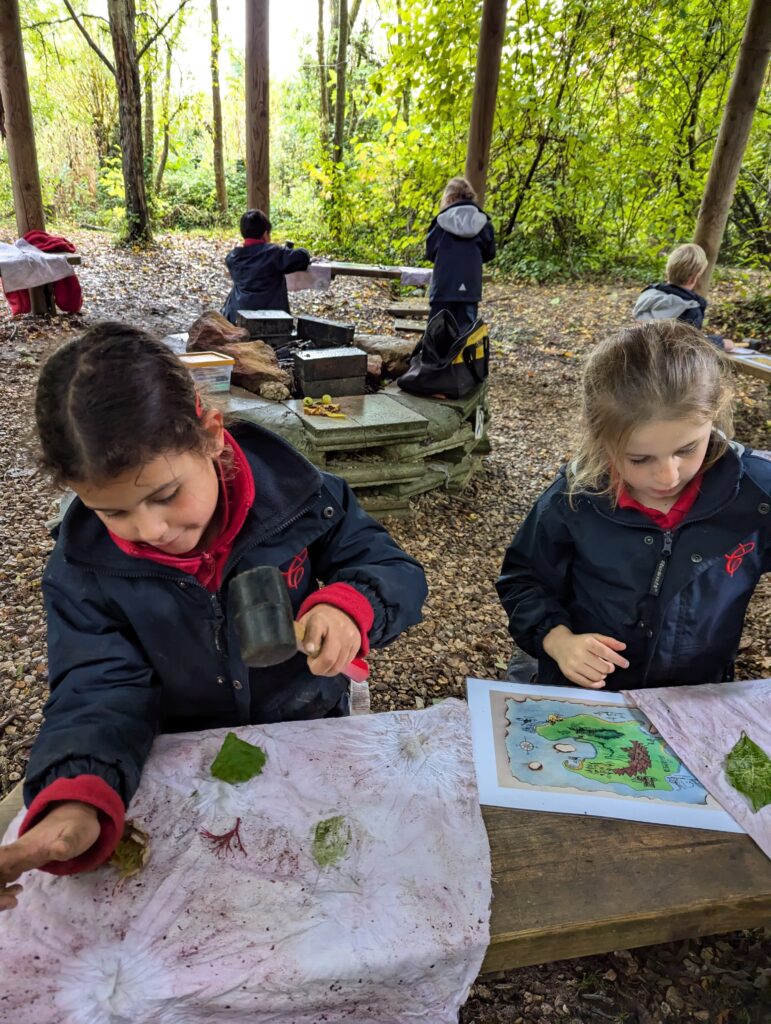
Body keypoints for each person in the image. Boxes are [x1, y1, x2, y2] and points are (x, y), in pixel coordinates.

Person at [0, 323, 427, 910]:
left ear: (211, 436)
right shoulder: (83, 570)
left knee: (322, 886)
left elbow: (388, 566)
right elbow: (98, 687)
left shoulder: (300, 495)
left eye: (165, 494)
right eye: (111, 513)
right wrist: (77, 798)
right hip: (181, 749)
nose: (149, 530)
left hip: (305, 723)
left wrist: (351, 606)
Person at [497, 321, 770, 693]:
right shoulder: (575, 498)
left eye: (687, 449)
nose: (668, 475)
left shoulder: (757, 494)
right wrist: (558, 641)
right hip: (591, 695)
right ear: (601, 442)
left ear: (714, 419)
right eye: (640, 459)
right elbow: (523, 580)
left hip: (694, 695)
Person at [425, 177, 496, 333]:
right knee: (466, 335)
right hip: (470, 287)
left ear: (449, 197)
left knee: (436, 334)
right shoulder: (483, 222)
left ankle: (436, 358)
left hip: (443, 287)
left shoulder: (440, 223)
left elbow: (430, 253)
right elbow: (490, 253)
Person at [632, 242, 734, 351]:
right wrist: (720, 343)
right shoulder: (690, 308)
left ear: (668, 271)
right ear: (694, 278)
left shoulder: (649, 294)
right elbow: (689, 346)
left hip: (640, 355)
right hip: (667, 365)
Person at [221, 208, 310, 324]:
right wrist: (287, 250)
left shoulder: (232, 258)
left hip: (237, 318)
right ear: (265, 234)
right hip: (272, 320)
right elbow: (302, 257)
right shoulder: (274, 254)